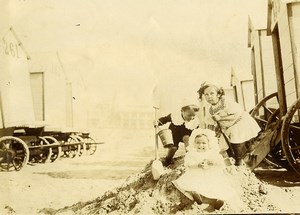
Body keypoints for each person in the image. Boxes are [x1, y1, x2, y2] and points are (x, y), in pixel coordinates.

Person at [172, 128, 237, 212]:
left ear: (209, 144)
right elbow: (188, 165)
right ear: (194, 143)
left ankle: (219, 200)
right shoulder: (193, 153)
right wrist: (197, 165)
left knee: (217, 184)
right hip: (197, 172)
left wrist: (211, 163)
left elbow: (220, 163)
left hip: (211, 174)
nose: (200, 145)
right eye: (198, 143)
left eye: (204, 143)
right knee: (193, 182)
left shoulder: (212, 153)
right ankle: (196, 194)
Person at [197, 83, 261, 166]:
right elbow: (210, 121)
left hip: (239, 123)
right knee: (225, 145)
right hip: (228, 127)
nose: (209, 96)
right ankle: (232, 161)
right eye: (206, 94)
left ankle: (239, 162)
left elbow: (236, 115)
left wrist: (220, 118)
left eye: (212, 93)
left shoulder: (226, 102)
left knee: (235, 140)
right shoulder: (210, 108)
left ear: (218, 94)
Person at [156, 100, 200, 167]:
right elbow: (164, 119)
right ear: (182, 111)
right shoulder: (175, 116)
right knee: (173, 148)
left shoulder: (195, 121)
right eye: (189, 115)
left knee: (187, 139)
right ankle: (168, 160)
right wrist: (157, 122)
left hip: (187, 135)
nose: (191, 118)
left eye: (193, 116)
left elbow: (196, 132)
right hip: (174, 134)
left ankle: (190, 158)